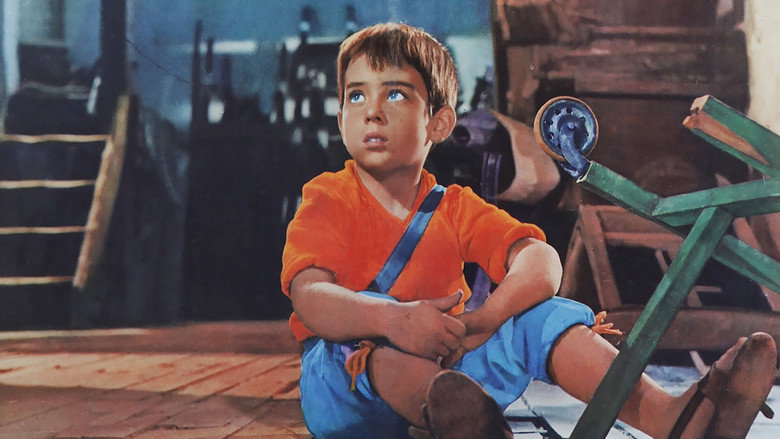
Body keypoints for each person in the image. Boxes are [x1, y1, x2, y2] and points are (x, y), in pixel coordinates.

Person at [281, 22, 777, 439]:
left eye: (395, 94)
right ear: (341, 116)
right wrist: (393, 321)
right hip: (349, 385)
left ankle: (670, 419)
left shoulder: (453, 206)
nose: (371, 110)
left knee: (545, 317)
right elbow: (310, 295)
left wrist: (486, 319)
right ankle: (454, 421)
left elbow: (540, 260)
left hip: (452, 365)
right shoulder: (328, 197)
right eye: (356, 95)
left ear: (439, 123)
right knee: (362, 347)